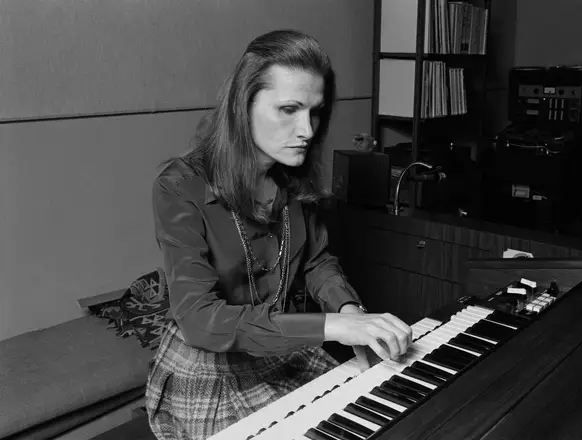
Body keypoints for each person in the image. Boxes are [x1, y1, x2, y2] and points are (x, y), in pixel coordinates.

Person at [145, 29, 412, 440]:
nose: (307, 129)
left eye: (315, 111)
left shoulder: (293, 177)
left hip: (283, 349)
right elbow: (200, 320)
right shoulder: (179, 186)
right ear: (243, 107)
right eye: (288, 109)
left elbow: (318, 262)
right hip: (210, 366)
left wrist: (349, 313)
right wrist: (329, 328)